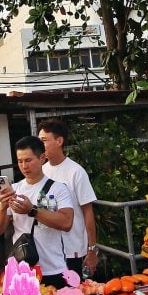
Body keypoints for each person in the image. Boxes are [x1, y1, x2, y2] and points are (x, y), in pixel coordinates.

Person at [0, 135, 75, 289]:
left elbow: (67, 222)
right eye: (20, 161)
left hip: (53, 268)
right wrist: (3, 207)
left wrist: (32, 210)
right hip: (24, 269)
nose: (24, 166)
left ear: (42, 158)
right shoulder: (14, 189)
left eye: (28, 160)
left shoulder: (58, 188)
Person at [38, 118, 99, 277]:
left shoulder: (75, 172)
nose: (40, 145)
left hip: (73, 251)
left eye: (44, 140)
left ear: (59, 141)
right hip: (48, 251)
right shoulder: (41, 172)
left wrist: (92, 250)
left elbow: (88, 212)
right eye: (39, 141)